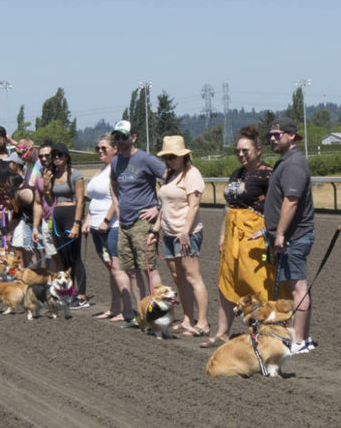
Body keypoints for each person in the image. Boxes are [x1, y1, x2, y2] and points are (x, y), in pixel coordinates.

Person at [208, 127, 273, 345]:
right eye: (238, 151)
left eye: (245, 150)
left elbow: (278, 206)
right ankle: (222, 333)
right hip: (232, 234)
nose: (241, 155)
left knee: (256, 283)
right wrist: (222, 234)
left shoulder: (267, 173)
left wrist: (267, 231)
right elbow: (229, 206)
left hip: (254, 235)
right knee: (226, 283)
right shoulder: (237, 174)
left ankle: (264, 334)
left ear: (259, 149)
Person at [105, 119, 169, 324]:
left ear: (133, 137)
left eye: (125, 136)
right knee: (131, 271)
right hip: (125, 224)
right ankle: (143, 314)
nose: (121, 141)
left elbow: (171, 179)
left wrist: (157, 208)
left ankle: (158, 313)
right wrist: (117, 205)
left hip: (143, 223)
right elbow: (113, 185)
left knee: (148, 268)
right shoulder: (116, 162)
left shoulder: (146, 159)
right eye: (118, 137)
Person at [264, 118, 316, 352]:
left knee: (297, 287)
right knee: (295, 285)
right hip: (289, 235)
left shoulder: (293, 164)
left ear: (292, 135)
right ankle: (301, 338)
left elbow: (291, 201)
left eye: (277, 134)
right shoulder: (285, 162)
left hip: (293, 236)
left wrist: (280, 234)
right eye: (270, 135)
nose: (272, 138)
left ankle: (299, 341)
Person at [150, 136, 209, 336]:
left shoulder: (191, 174)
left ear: (184, 156)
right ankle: (187, 319)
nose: (169, 160)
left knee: (193, 277)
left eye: (173, 157)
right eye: (166, 157)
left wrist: (185, 231)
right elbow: (163, 208)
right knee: (178, 278)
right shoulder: (169, 175)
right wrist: (155, 230)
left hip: (187, 233)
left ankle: (202, 323)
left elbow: (194, 205)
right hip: (168, 234)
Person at [84, 135, 129, 320]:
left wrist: (106, 219)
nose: (100, 151)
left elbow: (117, 198)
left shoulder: (117, 169)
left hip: (111, 227)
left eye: (104, 148)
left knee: (116, 268)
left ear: (115, 149)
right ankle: (115, 307)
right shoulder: (101, 170)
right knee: (110, 269)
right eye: (98, 148)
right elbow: (95, 199)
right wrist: (88, 219)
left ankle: (127, 310)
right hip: (96, 226)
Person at [43, 145, 89, 308]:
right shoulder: (53, 175)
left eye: (59, 155)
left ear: (66, 157)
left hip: (71, 215)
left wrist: (77, 223)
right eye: (54, 156)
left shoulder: (75, 175)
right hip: (57, 216)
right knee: (63, 257)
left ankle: (81, 295)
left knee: (75, 257)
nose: (56, 158)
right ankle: (69, 292)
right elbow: (49, 201)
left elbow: (80, 201)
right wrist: (47, 186)